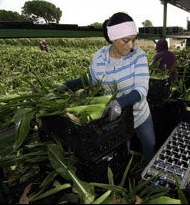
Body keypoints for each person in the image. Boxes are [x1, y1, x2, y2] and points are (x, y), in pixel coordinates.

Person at [55, 12, 156, 161]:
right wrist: (67, 85)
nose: (131, 45)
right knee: (123, 152)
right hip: (116, 119)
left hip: (139, 113)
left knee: (150, 144)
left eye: (133, 40)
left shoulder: (138, 56)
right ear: (112, 38)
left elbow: (141, 89)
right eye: (126, 40)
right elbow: (92, 79)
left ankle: (148, 170)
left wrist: (119, 103)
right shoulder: (100, 57)